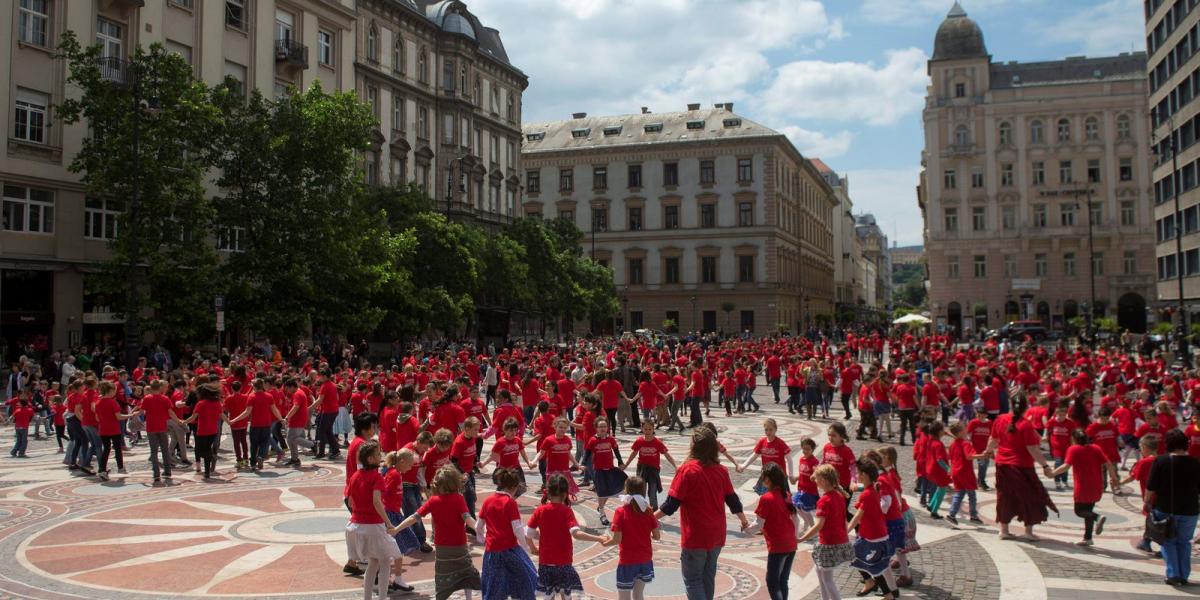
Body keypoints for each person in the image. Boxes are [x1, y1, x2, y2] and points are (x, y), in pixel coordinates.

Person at [654, 427, 748, 600]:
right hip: (717, 535)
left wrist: (648, 519)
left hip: (695, 536)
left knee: (693, 580)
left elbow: (671, 505)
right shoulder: (721, 471)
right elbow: (733, 500)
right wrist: (743, 521)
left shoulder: (687, 471)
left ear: (694, 446)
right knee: (707, 578)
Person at [394, 465, 482, 600]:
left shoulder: (433, 501)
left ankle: (441, 597)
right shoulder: (458, 498)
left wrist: (396, 529)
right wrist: (479, 529)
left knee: (442, 576)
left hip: (442, 547)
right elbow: (467, 518)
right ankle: (468, 598)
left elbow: (414, 517)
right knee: (467, 573)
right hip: (459, 545)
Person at [985, 395, 1058, 541]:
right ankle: (1028, 532)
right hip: (1022, 467)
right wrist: (1045, 465)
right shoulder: (1025, 425)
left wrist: (988, 451)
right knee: (1030, 497)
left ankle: (1004, 530)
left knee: (1004, 497)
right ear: (1026, 407)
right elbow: (1033, 449)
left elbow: (994, 439)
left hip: (1002, 465)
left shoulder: (1000, 419)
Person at [525, 473, 608, 599]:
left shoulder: (540, 510)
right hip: (563, 563)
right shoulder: (566, 511)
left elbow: (528, 533)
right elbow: (576, 533)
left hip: (545, 563)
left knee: (548, 595)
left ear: (548, 492)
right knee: (566, 594)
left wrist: (532, 548)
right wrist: (598, 538)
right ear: (565, 494)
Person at [344, 441, 404, 600]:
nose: (381, 456)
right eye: (378, 454)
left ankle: (367, 598)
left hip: (356, 525)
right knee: (384, 562)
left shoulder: (355, 476)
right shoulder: (376, 477)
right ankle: (382, 597)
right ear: (370, 459)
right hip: (373, 526)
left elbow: (350, 501)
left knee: (373, 563)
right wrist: (389, 523)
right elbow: (376, 501)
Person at [1146, 429, 1200, 586]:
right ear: (1186, 444)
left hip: (1165, 508)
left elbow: (1151, 486)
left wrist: (1147, 501)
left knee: (1168, 541)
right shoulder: (1196, 462)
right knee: (1184, 542)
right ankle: (1184, 575)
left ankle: (1173, 574)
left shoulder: (1161, 461)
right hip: (1190, 510)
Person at [1049, 429, 1120, 546]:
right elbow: (1108, 463)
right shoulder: (1096, 448)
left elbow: (1066, 466)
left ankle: (1097, 517)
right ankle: (1088, 538)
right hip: (1097, 484)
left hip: (1083, 486)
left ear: (1074, 439)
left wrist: (1053, 473)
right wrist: (1113, 477)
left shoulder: (1074, 449)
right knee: (1088, 510)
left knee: (1079, 511)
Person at [478, 467, 538, 600]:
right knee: (527, 578)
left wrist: (481, 538)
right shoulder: (510, 502)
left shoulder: (488, 500)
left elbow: (479, 524)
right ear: (514, 487)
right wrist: (525, 547)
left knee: (493, 584)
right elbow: (517, 528)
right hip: (509, 549)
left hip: (492, 551)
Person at [797, 464, 853, 600]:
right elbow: (844, 519)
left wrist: (801, 538)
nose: (815, 481)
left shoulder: (824, 501)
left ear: (823, 480)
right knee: (819, 569)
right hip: (840, 540)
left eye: (817, 478)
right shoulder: (839, 496)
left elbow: (818, 526)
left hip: (828, 543)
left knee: (827, 579)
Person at [746, 463, 799, 600]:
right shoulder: (786, 494)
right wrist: (795, 537)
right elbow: (795, 519)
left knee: (772, 582)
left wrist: (746, 529)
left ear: (768, 480)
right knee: (783, 581)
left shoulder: (766, 498)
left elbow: (758, 524)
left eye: (762, 477)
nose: (761, 480)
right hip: (791, 545)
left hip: (778, 546)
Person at [848, 459, 898, 600]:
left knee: (856, 557)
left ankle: (874, 585)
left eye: (857, 473)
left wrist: (845, 531)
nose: (856, 475)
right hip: (874, 535)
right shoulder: (872, 489)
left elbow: (857, 516)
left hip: (873, 537)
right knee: (872, 566)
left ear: (863, 474)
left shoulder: (868, 493)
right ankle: (885, 592)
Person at [604, 476, 660, 600]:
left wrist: (605, 542)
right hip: (645, 559)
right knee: (638, 595)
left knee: (624, 597)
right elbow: (657, 536)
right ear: (644, 491)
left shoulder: (620, 512)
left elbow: (617, 539)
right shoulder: (648, 510)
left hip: (627, 561)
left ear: (626, 490)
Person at [380, 450, 419, 593]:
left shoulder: (394, 472)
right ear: (402, 462)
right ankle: (395, 578)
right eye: (409, 465)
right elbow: (383, 492)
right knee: (396, 548)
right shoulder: (394, 475)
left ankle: (394, 578)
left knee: (396, 549)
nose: (410, 468)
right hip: (391, 515)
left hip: (394, 513)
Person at [623, 419, 677, 511]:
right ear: (642, 429)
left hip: (653, 470)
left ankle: (654, 512)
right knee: (639, 491)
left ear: (653, 429)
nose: (647, 431)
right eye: (645, 429)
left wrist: (675, 466)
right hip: (641, 469)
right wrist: (626, 465)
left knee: (652, 493)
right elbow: (634, 453)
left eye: (649, 429)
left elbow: (667, 455)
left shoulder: (657, 443)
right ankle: (639, 509)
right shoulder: (639, 441)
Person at [588, 417, 627, 526]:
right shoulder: (593, 440)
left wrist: (620, 462)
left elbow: (616, 451)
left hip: (610, 469)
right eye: (600, 427)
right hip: (599, 471)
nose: (603, 429)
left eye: (604, 426)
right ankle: (602, 513)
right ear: (596, 428)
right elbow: (587, 453)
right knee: (602, 492)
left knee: (615, 487)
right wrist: (582, 465)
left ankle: (600, 507)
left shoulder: (611, 439)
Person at [946, 421, 986, 526]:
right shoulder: (966, 443)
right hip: (965, 472)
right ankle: (973, 515)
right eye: (965, 428)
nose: (967, 429)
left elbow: (950, 458)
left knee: (959, 494)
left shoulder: (952, 444)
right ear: (960, 432)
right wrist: (983, 456)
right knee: (971, 495)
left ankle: (952, 514)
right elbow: (969, 456)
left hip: (956, 471)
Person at [738, 418, 791, 495]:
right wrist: (744, 465)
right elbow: (754, 455)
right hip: (766, 475)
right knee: (766, 496)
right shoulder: (762, 442)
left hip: (778, 476)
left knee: (780, 497)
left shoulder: (780, 443)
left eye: (771, 429)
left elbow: (789, 459)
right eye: (766, 430)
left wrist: (791, 474)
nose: (768, 432)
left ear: (775, 429)